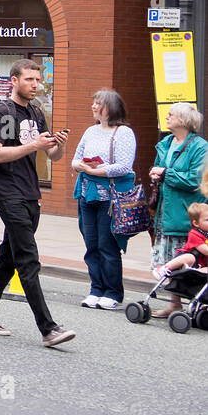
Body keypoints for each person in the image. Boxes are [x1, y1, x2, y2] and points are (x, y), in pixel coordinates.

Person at [0, 59, 76, 348]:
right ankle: (48, 328)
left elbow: (51, 156)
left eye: (37, 80)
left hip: (31, 192)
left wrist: (59, 144)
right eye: (29, 79)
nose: (35, 84)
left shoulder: (35, 112)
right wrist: (34, 146)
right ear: (14, 81)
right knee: (28, 259)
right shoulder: (2, 112)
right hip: (9, 192)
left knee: (8, 257)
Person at [70, 89, 135, 310]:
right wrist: (82, 166)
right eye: (94, 102)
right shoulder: (90, 131)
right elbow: (75, 160)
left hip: (110, 198)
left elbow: (124, 166)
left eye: (98, 103)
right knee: (91, 244)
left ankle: (113, 292)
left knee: (107, 246)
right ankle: (96, 289)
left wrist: (95, 170)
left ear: (111, 108)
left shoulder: (123, 133)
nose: (93, 106)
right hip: (87, 195)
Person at [148, 102, 208, 318]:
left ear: (183, 120)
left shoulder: (200, 147)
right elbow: (158, 167)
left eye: (171, 114)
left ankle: (194, 303)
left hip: (185, 213)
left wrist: (165, 173)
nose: (167, 117)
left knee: (185, 257)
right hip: (166, 210)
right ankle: (174, 304)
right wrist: (155, 173)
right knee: (166, 257)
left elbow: (195, 179)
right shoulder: (165, 143)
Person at [155, 201, 208, 275]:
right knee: (190, 257)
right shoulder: (194, 234)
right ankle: (164, 268)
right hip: (188, 258)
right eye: (207, 220)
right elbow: (206, 251)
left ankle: (192, 272)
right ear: (196, 223)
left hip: (200, 264)